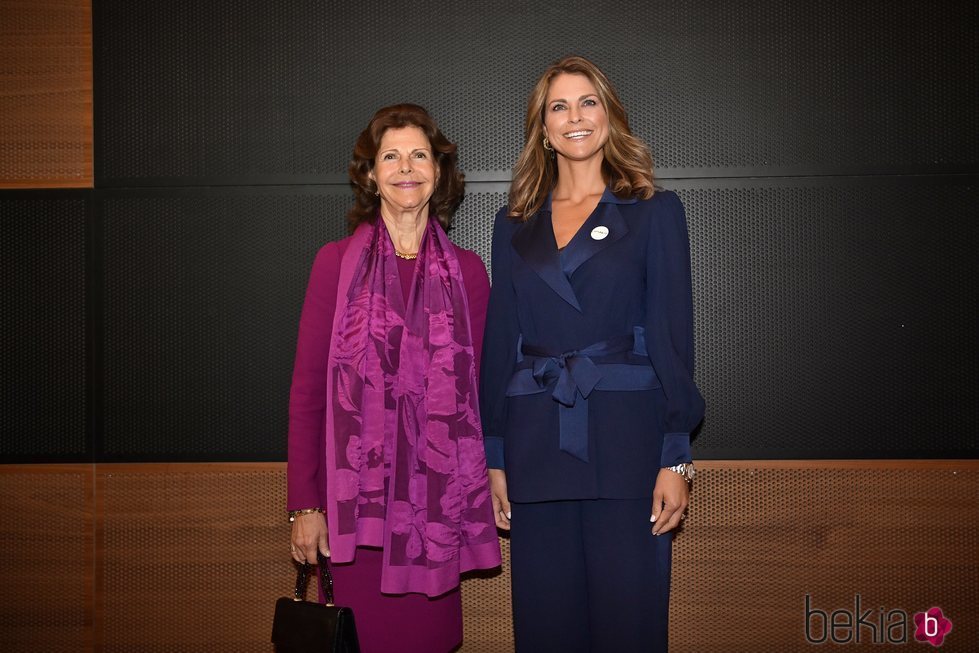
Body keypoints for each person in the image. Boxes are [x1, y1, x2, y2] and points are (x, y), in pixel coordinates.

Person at [480, 56, 705, 652]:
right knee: (545, 626)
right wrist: (494, 454)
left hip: (627, 442)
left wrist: (675, 456)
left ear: (609, 116)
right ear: (543, 127)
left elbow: (671, 337)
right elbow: (501, 340)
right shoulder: (513, 224)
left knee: (628, 624)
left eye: (588, 103)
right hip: (535, 444)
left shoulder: (655, 211)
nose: (574, 117)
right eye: (559, 106)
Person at [287, 103, 502, 653]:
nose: (406, 167)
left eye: (419, 155)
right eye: (391, 156)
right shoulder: (333, 265)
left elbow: (482, 399)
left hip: (435, 513)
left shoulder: (471, 274)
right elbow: (310, 392)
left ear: (438, 170)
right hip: (354, 518)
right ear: (370, 174)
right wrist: (306, 505)